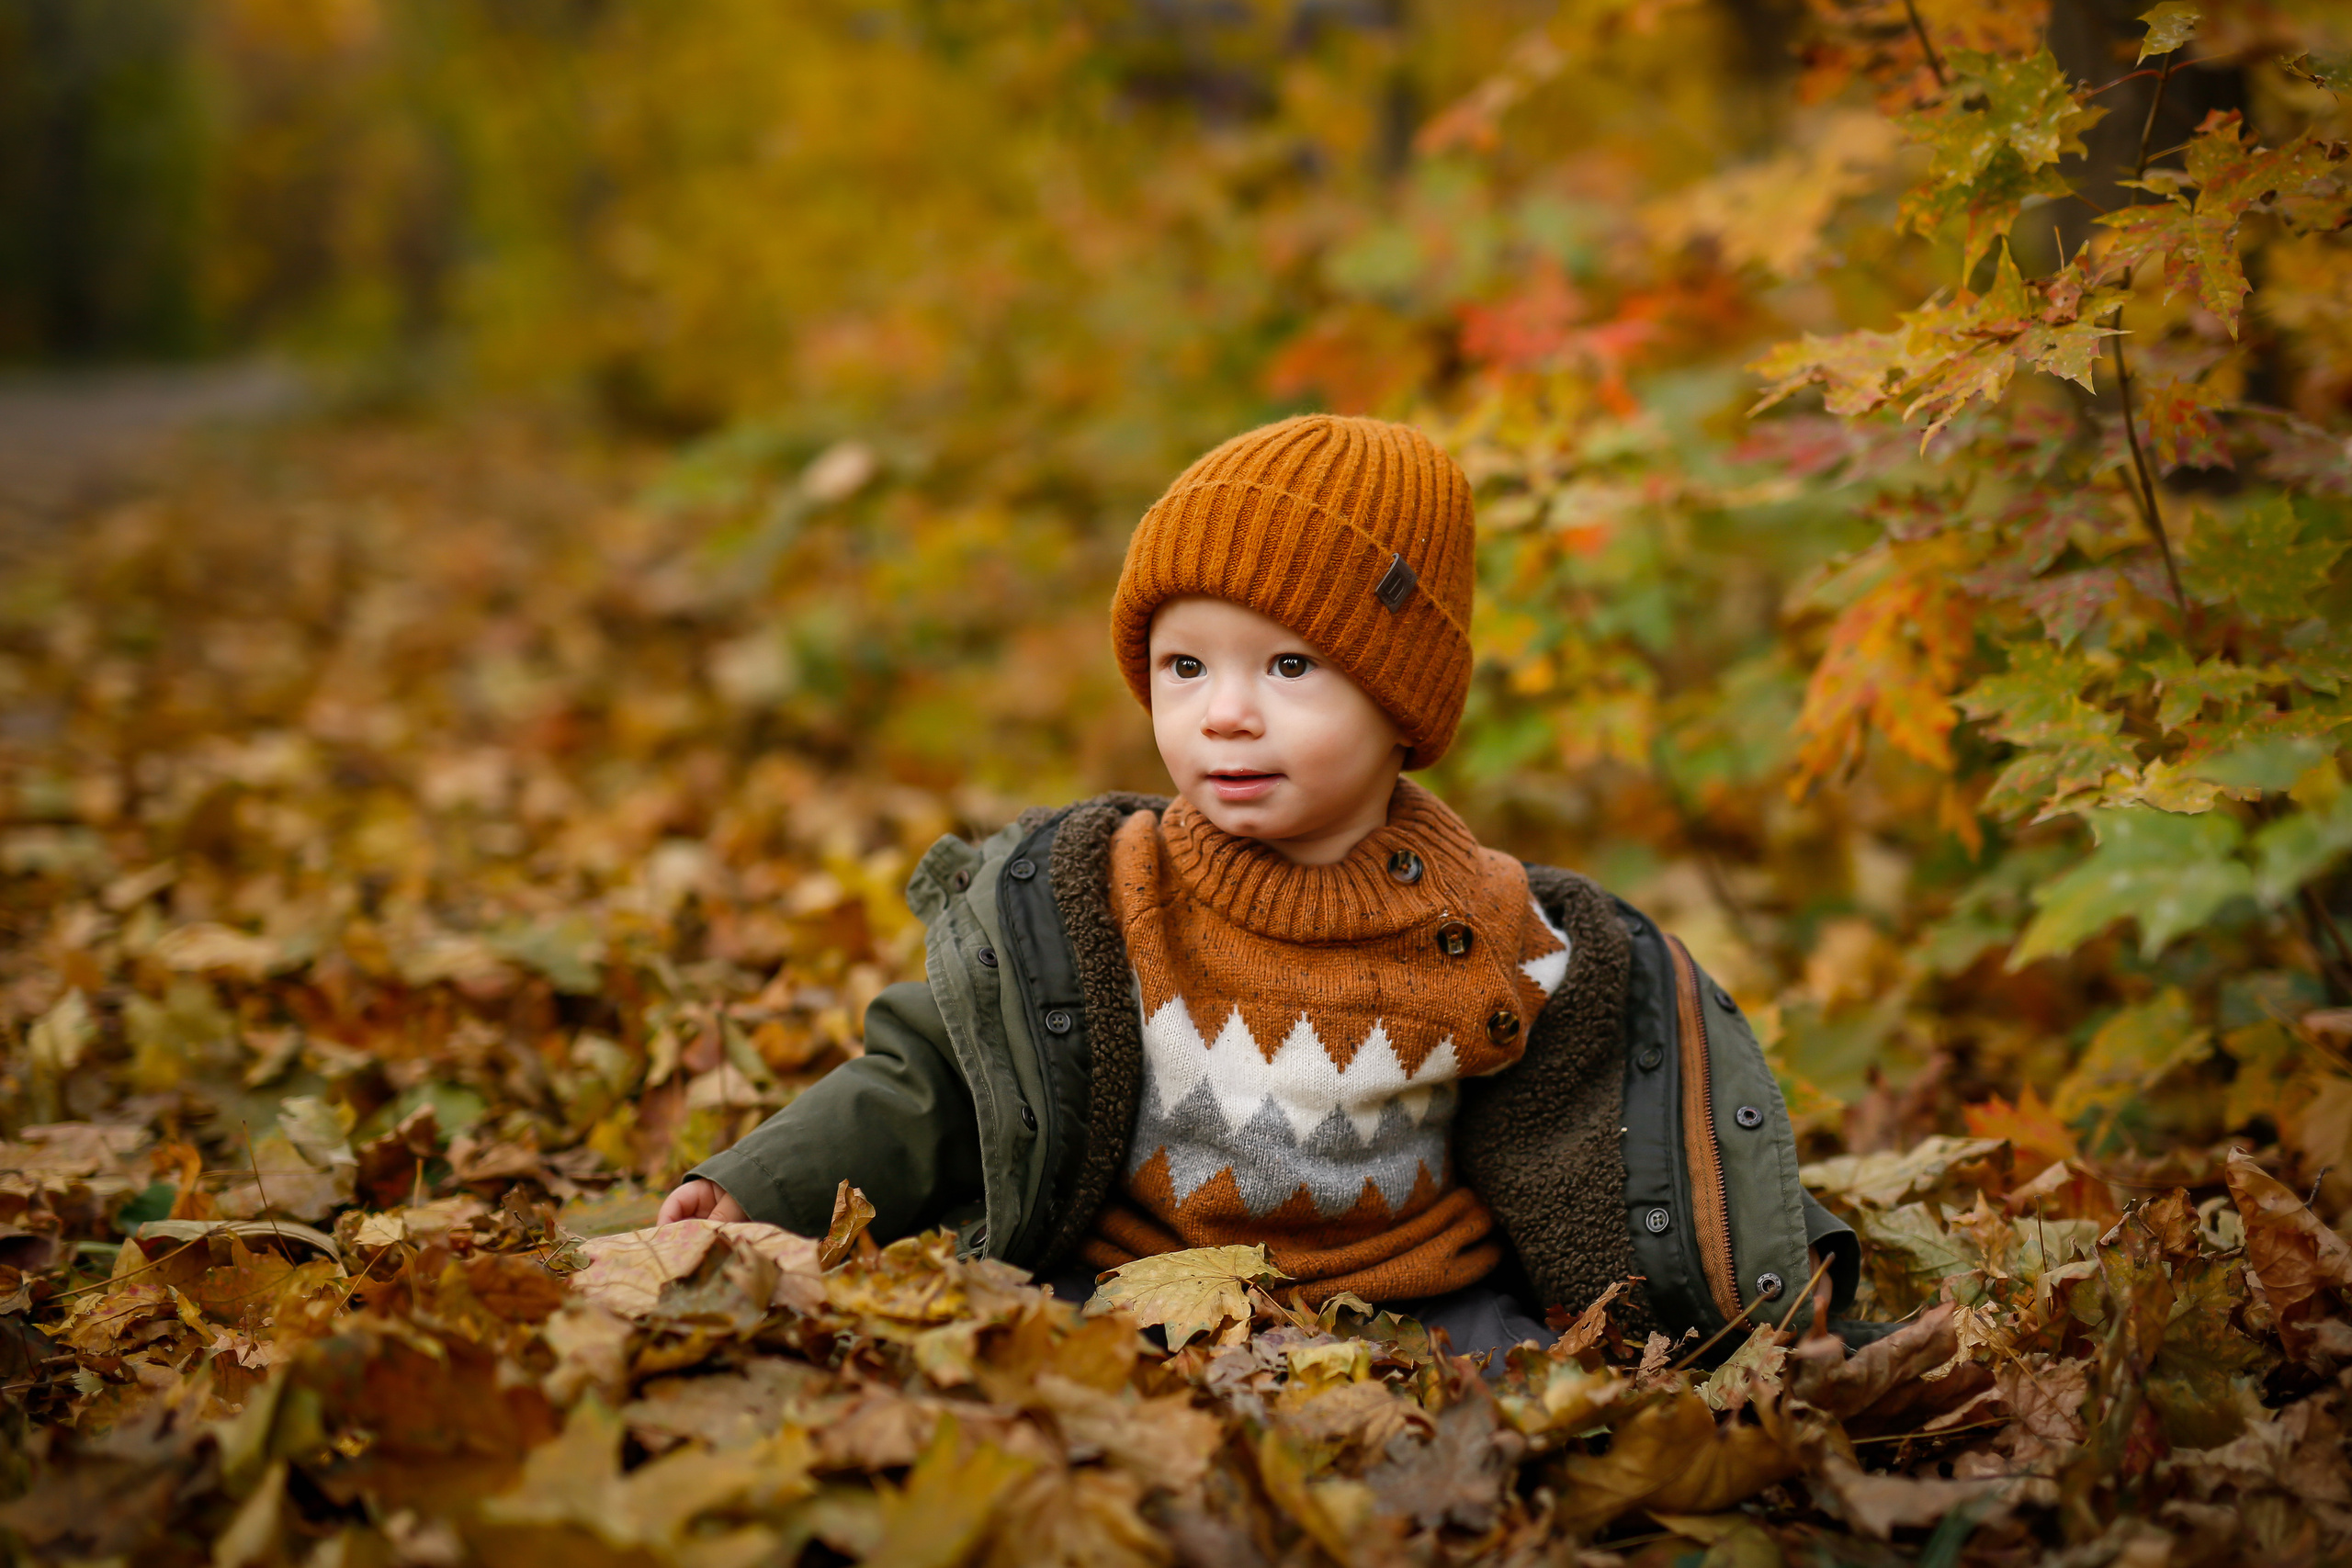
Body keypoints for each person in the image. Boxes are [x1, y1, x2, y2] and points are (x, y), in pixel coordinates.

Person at [660, 414, 1862, 1362]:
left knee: (1529, 1398)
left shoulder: (1498, 934)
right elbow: (934, 1075)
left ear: (1400, 704)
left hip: (1411, 1319)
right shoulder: (1100, 895)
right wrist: (757, 1185)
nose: (1225, 712)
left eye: (1289, 666)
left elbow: (1637, 1134)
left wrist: (1776, 1284)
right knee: (989, 1362)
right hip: (1121, 1292)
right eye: (1185, 666)